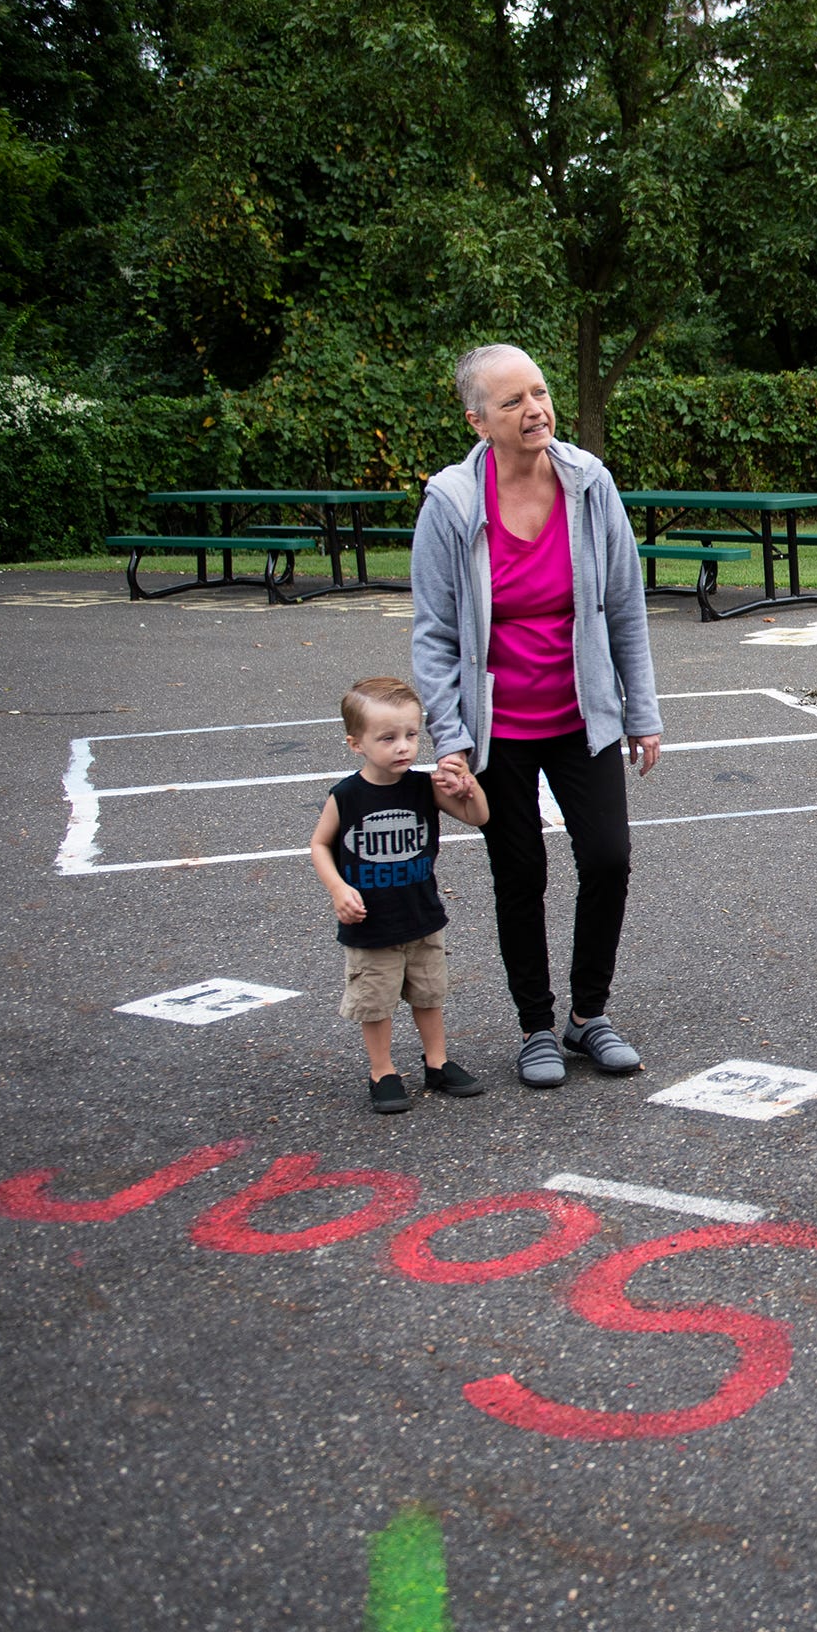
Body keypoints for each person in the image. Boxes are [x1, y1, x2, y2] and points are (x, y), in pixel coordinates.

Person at [414, 344, 661, 1091]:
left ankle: (588, 1016)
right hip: (499, 728)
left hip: (581, 714)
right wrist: (451, 739)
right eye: (515, 400)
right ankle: (534, 1027)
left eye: (541, 392)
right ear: (478, 419)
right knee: (520, 873)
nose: (536, 410)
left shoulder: (589, 483)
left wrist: (640, 712)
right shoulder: (453, 504)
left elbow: (624, 605)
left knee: (609, 859)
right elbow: (433, 635)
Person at [309, 676, 491, 1115]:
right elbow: (319, 844)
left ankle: (438, 1062)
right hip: (370, 923)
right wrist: (338, 888)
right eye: (387, 738)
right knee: (376, 1002)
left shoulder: (424, 786)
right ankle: (382, 1071)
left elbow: (478, 816)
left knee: (429, 995)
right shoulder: (347, 796)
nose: (403, 747)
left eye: (411, 735)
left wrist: (470, 786)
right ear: (356, 744)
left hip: (422, 916)